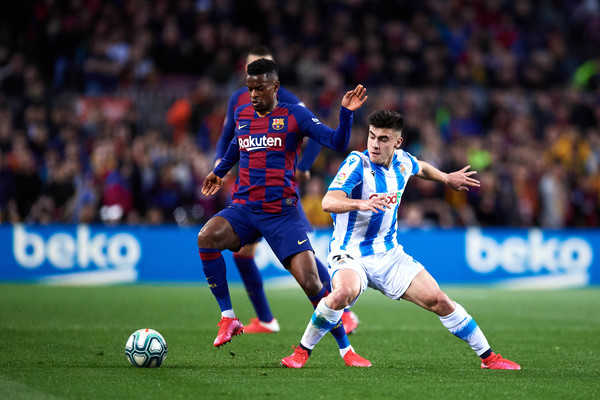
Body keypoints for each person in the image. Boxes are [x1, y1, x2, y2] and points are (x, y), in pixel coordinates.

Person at [281, 110, 521, 370]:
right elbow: (328, 201)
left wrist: (445, 178)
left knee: (440, 300)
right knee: (341, 294)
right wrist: (362, 203)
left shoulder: (403, 162)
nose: (374, 143)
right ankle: (302, 352)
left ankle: (489, 358)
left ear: (397, 143)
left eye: (383, 139)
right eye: (372, 136)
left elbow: (421, 167)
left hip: (388, 255)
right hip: (350, 253)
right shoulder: (356, 163)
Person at [198, 58, 371, 367]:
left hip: (282, 213)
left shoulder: (295, 116)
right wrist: (220, 172)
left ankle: (346, 350)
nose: (252, 94)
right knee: (207, 237)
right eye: (249, 88)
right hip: (245, 208)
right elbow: (237, 146)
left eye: (259, 88)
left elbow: (338, 141)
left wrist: (345, 113)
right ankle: (228, 318)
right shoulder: (242, 115)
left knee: (311, 282)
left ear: (275, 87)